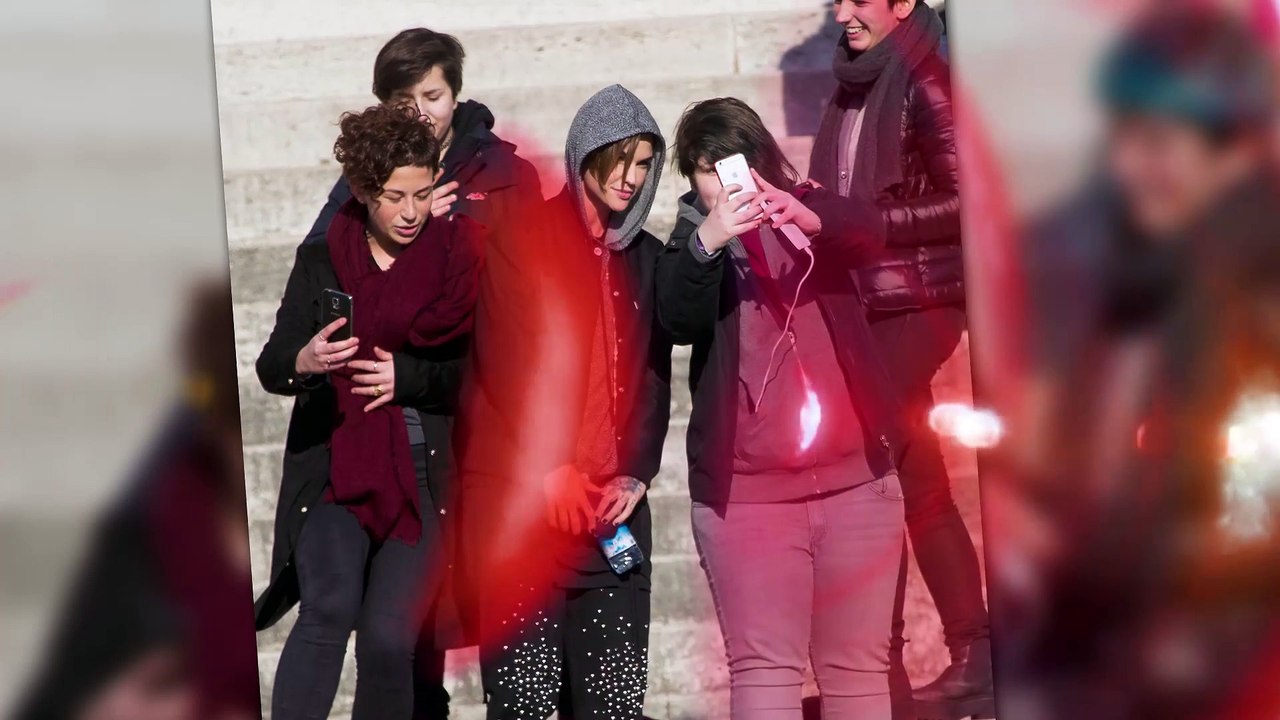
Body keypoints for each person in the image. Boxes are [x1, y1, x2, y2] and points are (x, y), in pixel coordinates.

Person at [1007, 7, 1280, 718]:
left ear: (1241, 151)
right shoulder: (1143, 268)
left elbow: (1243, 525)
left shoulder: (1254, 301)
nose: (1129, 166)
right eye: (1122, 139)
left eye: (1157, 143)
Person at [295, 27, 540, 716]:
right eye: (403, 99)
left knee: (466, 615)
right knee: (400, 631)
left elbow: (524, 305)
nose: (420, 111)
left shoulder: (500, 176)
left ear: (455, 95)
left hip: (486, 418)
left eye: (431, 95)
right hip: (407, 434)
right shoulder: (375, 183)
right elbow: (321, 260)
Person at [657, 96, 908, 719]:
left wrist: (808, 217)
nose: (721, 183)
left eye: (730, 164)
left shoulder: (809, 206)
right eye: (705, 172)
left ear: (760, 158)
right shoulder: (691, 241)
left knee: (857, 674)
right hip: (750, 502)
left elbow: (870, 232)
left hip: (858, 487)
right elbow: (674, 318)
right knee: (766, 674)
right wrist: (709, 242)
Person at [253, 103, 480, 720]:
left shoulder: (458, 260)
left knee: (387, 638)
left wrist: (408, 376)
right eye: (393, 197)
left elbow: (478, 380)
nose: (410, 213)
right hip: (335, 473)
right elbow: (272, 365)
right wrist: (305, 359)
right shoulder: (322, 259)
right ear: (359, 191)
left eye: (423, 193)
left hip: (424, 478)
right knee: (327, 610)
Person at [455, 84, 671, 719]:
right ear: (585, 155)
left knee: (611, 709)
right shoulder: (524, 239)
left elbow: (652, 379)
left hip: (610, 518)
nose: (631, 178)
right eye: (621, 159)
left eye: (644, 164)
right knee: (522, 707)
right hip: (525, 517)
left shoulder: (647, 259)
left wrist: (638, 468)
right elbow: (499, 366)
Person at [809, 2, 990, 717]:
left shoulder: (927, 79)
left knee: (869, 471)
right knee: (916, 480)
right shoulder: (856, 79)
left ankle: (885, 663)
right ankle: (966, 655)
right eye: (836, 1)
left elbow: (964, 198)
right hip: (871, 303)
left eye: (859, 1)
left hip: (922, 301)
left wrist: (873, 221)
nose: (843, 14)